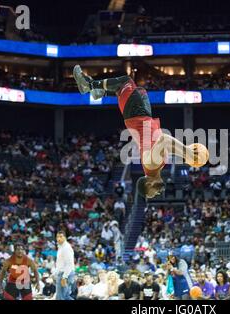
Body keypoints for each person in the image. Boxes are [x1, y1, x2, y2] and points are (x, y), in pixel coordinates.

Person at [73, 66, 207, 200]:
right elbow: (168, 147)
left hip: (136, 117)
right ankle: (101, 93)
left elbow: (165, 140)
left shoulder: (151, 164)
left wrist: (187, 152)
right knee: (139, 91)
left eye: (153, 192)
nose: (158, 193)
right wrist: (186, 155)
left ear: (149, 183)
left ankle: (89, 85)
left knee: (126, 82)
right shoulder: (157, 167)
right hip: (144, 119)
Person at [55, 231, 75, 300]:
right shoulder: (60, 247)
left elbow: (69, 264)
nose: (59, 238)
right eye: (57, 237)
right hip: (62, 273)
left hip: (65, 274)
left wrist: (64, 277)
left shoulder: (66, 248)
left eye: (61, 236)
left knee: (60, 297)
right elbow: (60, 263)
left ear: (65, 238)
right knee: (65, 297)